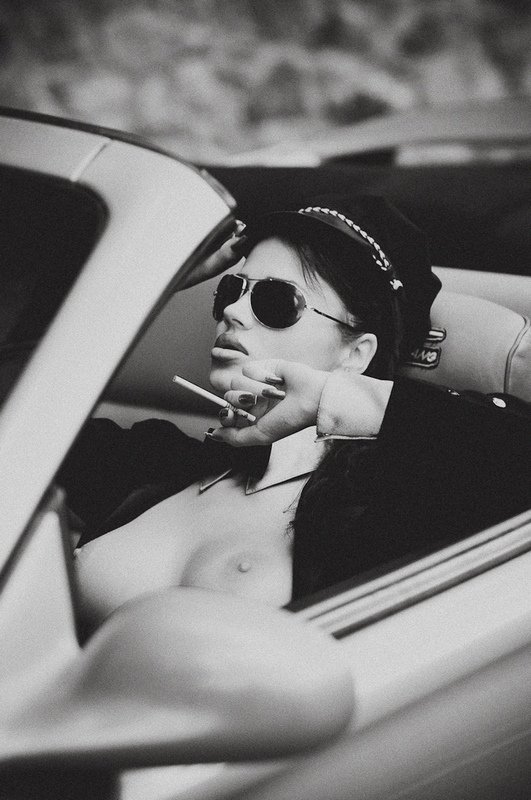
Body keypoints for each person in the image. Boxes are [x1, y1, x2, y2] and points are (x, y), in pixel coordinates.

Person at [58, 194, 531, 632]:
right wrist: (146, 285)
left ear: (355, 354)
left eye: (276, 300)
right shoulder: (156, 459)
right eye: (230, 290)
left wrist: (333, 398)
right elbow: (27, 413)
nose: (234, 312)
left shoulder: (390, 498)